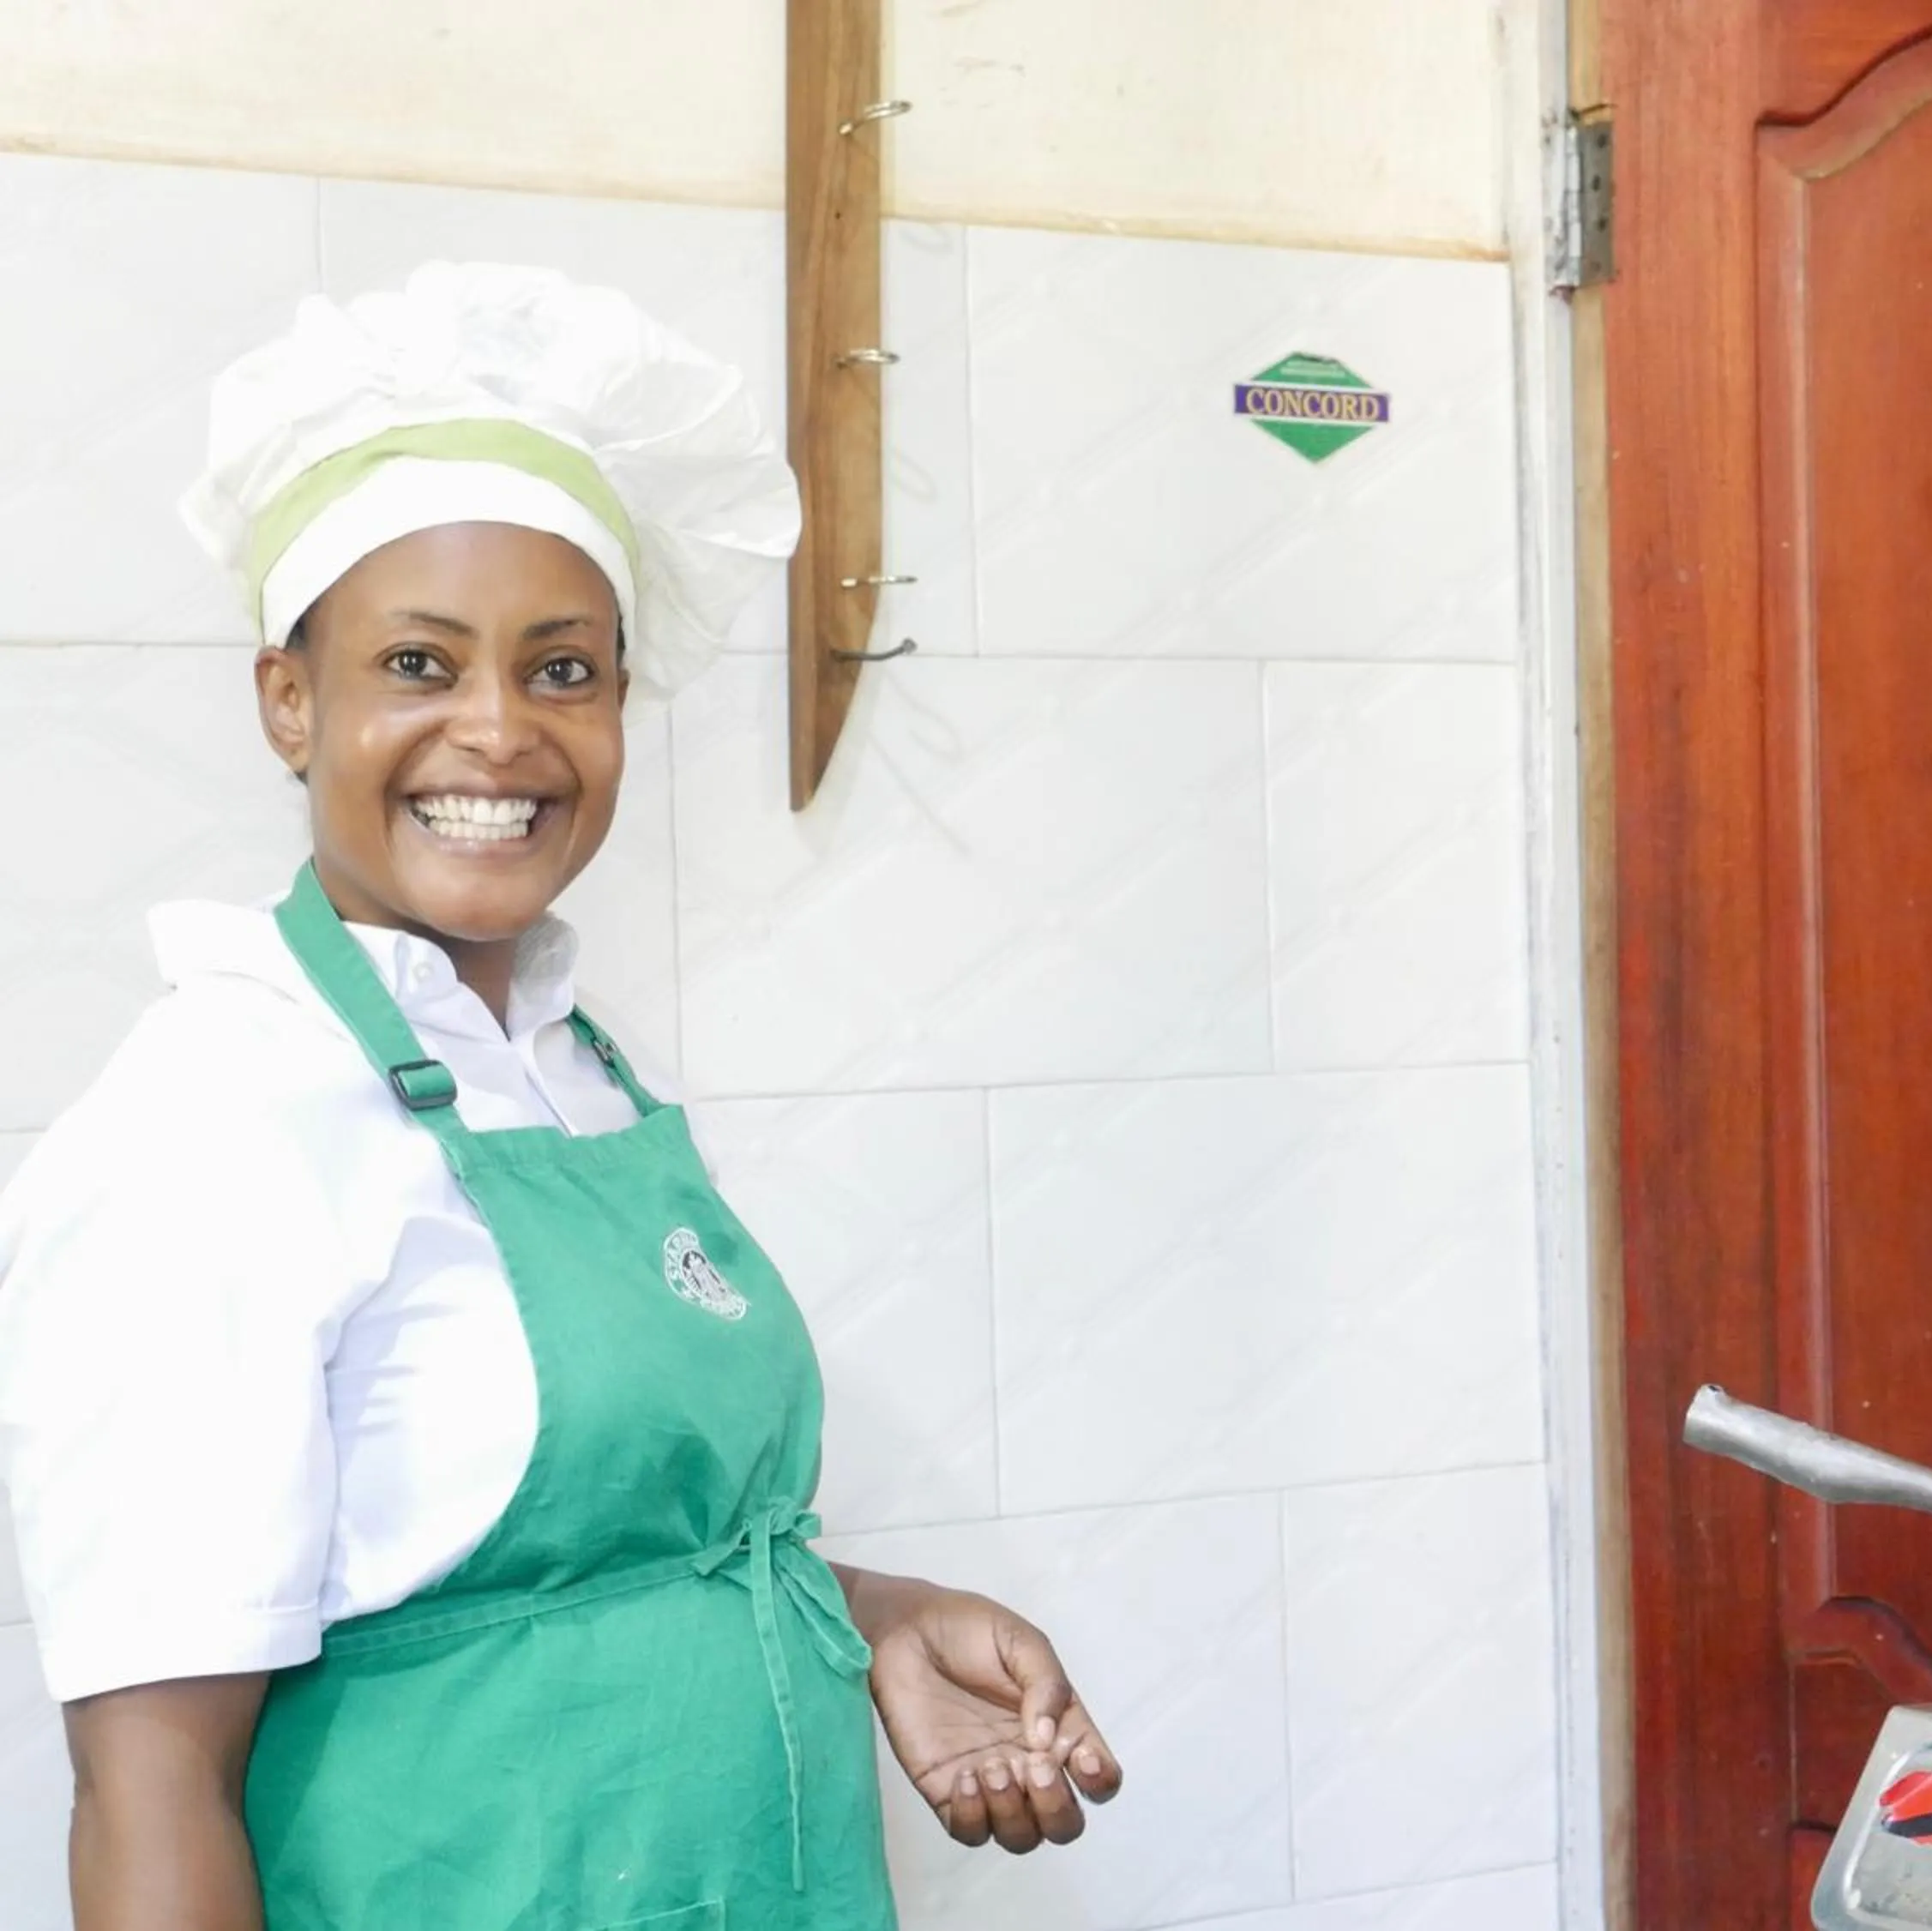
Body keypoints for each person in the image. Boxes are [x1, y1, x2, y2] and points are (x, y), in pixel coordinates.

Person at [0, 262, 1121, 1929]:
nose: (499, 732)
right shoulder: (217, 1123)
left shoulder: (568, 1060)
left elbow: (552, 1566)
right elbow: (147, 1794)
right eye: (419, 663)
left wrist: (868, 1614)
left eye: (564, 671)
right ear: (288, 699)